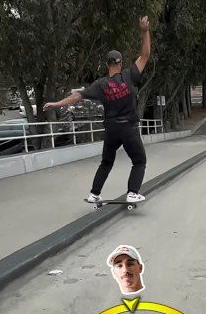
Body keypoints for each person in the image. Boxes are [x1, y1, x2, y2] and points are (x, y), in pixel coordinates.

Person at [44, 16, 152, 204]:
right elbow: (145, 55)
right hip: (128, 129)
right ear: (120, 63)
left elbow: (78, 95)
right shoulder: (129, 76)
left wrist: (57, 103)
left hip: (111, 130)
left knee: (106, 162)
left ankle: (94, 194)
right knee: (139, 161)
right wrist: (144, 31)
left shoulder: (100, 85)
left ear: (107, 65)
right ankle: (132, 192)